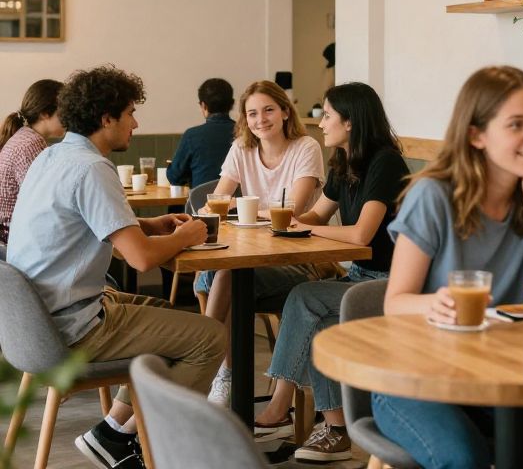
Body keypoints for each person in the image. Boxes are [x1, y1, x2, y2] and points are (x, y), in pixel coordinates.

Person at [371, 66, 523, 469]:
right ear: (476, 135)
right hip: (416, 376)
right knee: (464, 459)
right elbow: (395, 302)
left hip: (503, 377)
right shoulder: (433, 195)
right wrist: (432, 304)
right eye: (517, 124)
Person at [7, 65, 226, 469]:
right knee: (210, 337)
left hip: (36, 323)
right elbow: (140, 258)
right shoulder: (92, 167)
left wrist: (147, 225)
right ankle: (148, 444)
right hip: (73, 328)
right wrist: (186, 235)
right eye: (130, 113)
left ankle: (113, 433)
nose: (136, 123)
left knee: (164, 315)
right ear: (106, 119)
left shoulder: (52, 155)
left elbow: (79, 219)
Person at [252, 82, 409, 462]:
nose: (320, 123)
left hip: (391, 284)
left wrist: (300, 227)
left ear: (350, 121)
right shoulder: (344, 161)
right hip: (360, 277)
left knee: (305, 296)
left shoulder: (385, 162)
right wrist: (274, 222)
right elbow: (316, 216)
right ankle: (336, 430)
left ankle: (279, 407)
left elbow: (361, 234)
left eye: (326, 115)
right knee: (321, 327)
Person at [201, 80, 325, 405]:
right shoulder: (241, 149)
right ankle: (221, 372)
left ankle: (204, 363)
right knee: (217, 275)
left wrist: (242, 207)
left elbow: (292, 211)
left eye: (268, 110)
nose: (260, 119)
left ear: (285, 111)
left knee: (224, 275)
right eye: (252, 113)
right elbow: (217, 201)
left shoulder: (306, 147)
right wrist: (223, 206)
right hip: (254, 255)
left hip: (300, 259)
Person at [0, 78, 64, 243]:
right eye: (64, 111)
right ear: (44, 114)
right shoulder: (31, 144)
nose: (69, 117)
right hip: (12, 239)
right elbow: (44, 201)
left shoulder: (25, 136)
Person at [166, 77, 236, 189]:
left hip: (202, 199)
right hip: (240, 200)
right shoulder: (245, 134)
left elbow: (175, 177)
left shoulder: (192, 136)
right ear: (232, 104)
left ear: (203, 105)